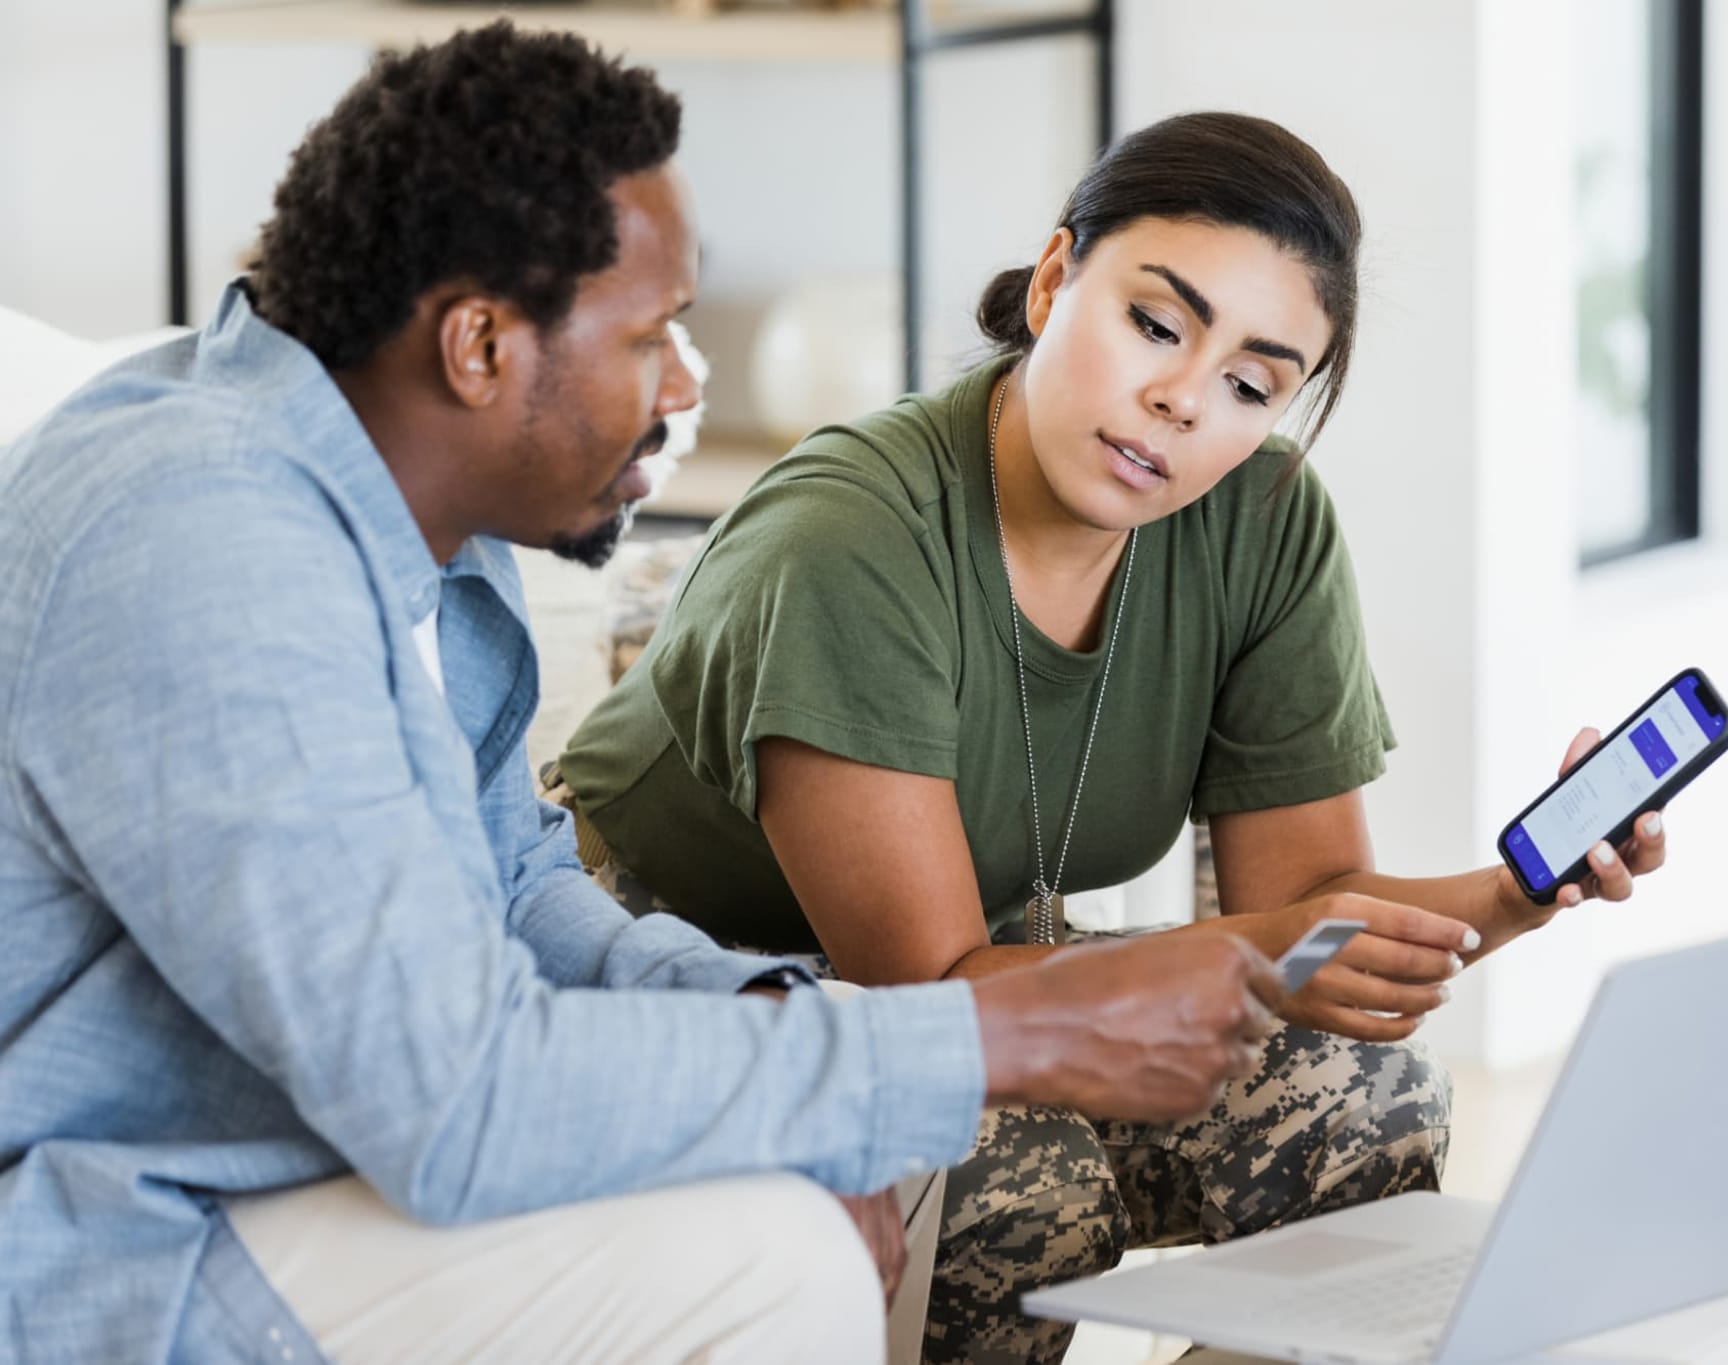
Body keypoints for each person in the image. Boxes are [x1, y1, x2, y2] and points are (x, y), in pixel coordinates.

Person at [0, 27, 1290, 1365]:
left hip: (306, 1145)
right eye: (650, 334)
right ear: (481, 348)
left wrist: (780, 1026)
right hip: (122, 1224)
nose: (685, 385)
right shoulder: (202, 545)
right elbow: (452, 1099)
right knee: (767, 1254)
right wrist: (964, 1038)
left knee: (890, 1114)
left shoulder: (416, 521)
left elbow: (510, 886)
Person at [557, 110, 1672, 1363]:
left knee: (1366, 1102)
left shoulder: (1262, 526)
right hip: (675, 990)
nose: (1179, 402)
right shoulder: (850, 541)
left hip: (988, 971)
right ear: (1051, 281)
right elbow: (925, 995)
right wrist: (1248, 948)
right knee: (1005, 1173)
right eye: (1154, 323)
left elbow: (1302, 906)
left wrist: (1522, 891)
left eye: (1250, 385)